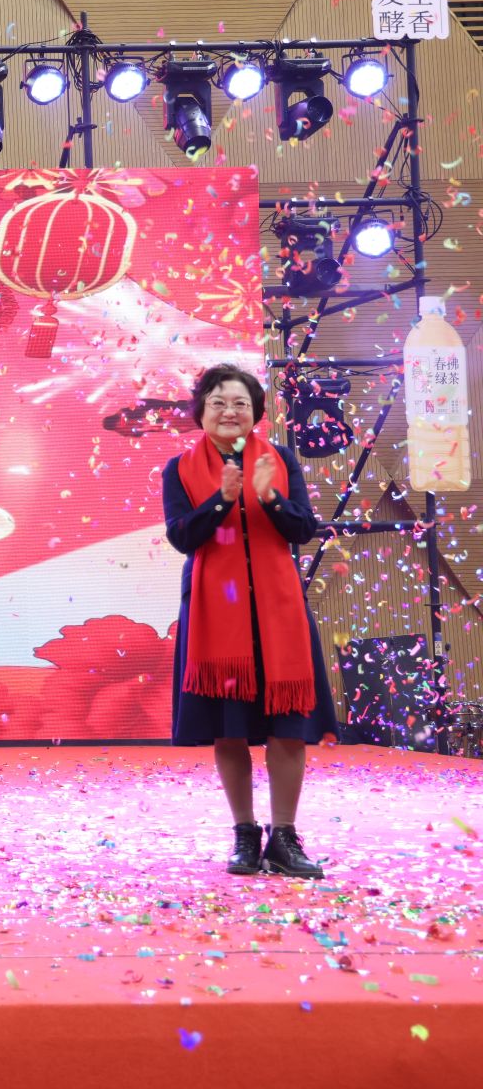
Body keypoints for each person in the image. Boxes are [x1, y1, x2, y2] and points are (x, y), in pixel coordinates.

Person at [162, 364, 335, 878]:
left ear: (256, 411)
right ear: (201, 412)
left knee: (288, 728)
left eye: (240, 402)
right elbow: (182, 537)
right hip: (217, 616)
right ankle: (244, 832)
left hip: (278, 613)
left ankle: (284, 837)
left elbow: (303, 530)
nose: (229, 411)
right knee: (229, 730)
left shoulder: (280, 460)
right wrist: (221, 500)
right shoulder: (179, 468)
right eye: (217, 402)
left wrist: (270, 497)